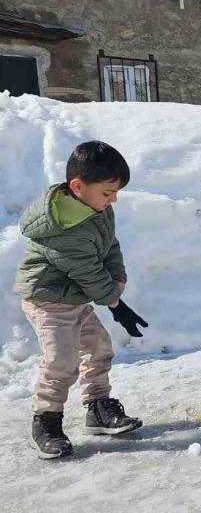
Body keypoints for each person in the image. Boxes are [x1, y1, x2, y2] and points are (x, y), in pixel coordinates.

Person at [14, 141, 148, 459]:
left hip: (73, 297)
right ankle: (46, 421)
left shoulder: (96, 208)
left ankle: (98, 408)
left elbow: (109, 244)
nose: (113, 200)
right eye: (107, 192)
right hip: (48, 300)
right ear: (77, 186)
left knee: (99, 349)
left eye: (116, 192)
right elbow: (87, 271)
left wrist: (118, 276)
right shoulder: (62, 227)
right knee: (61, 361)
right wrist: (116, 303)